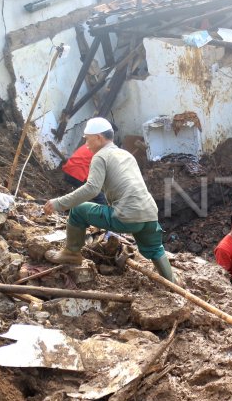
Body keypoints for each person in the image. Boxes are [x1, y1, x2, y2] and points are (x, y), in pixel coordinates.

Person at [43, 118, 176, 283]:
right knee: (155, 249)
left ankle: (71, 253)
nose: (86, 144)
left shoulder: (100, 156)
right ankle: (171, 282)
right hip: (149, 213)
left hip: (126, 216)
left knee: (78, 210)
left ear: (99, 137)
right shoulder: (125, 154)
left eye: (87, 139)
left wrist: (58, 203)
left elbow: (92, 188)